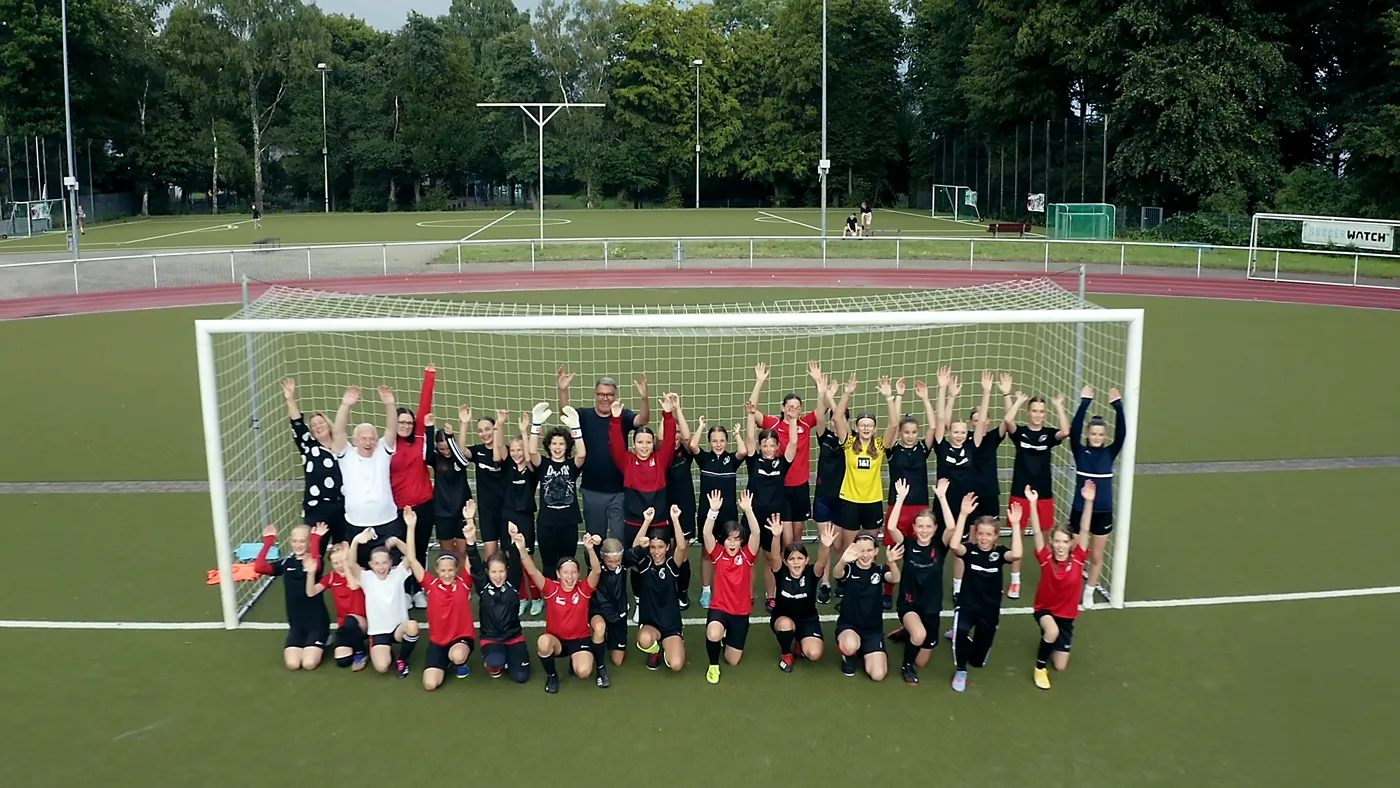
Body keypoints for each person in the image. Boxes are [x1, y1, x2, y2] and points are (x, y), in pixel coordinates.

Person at [557, 367, 651, 540]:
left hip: (620, 492)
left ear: (615, 397)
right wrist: (562, 391)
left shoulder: (622, 416)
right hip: (592, 490)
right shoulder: (584, 415)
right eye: (601, 394)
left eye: (609, 395)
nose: (605, 399)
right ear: (595, 394)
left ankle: (619, 568)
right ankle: (596, 567)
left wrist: (644, 398)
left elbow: (643, 420)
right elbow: (565, 414)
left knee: (619, 539)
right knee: (595, 538)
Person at [609, 393, 677, 620]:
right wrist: (616, 419)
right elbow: (616, 445)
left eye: (648, 442)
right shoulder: (627, 461)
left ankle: (662, 598)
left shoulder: (661, 459)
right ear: (634, 444)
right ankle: (639, 602)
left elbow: (669, 441)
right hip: (634, 524)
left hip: (659, 525)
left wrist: (668, 414)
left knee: (661, 562)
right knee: (638, 565)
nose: (644, 446)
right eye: (640, 442)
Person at [888, 479, 961, 685]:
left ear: (935, 528)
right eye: (920, 526)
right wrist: (900, 498)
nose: (924, 530)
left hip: (931, 608)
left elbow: (952, 526)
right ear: (914, 527)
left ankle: (907, 632)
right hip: (909, 604)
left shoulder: (940, 546)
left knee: (923, 660)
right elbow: (892, 526)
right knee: (918, 636)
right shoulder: (907, 545)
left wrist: (942, 497)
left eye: (928, 526)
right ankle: (906, 666)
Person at [949, 495, 1023, 693]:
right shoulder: (971, 550)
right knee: (962, 632)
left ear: (996, 536)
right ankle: (960, 670)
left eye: (989, 534)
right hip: (967, 605)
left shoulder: (999, 554)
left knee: (978, 661)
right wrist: (963, 514)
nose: (984, 538)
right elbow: (954, 546)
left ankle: (966, 646)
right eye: (981, 533)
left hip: (989, 609)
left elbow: (1016, 554)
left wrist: (1015, 525)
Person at [747, 361, 824, 550]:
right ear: (783, 408)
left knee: (797, 536)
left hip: (800, 487)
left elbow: (822, 411)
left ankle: (795, 572)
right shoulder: (772, 424)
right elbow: (751, 410)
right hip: (780, 488)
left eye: (797, 407)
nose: (793, 409)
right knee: (784, 538)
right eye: (789, 406)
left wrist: (818, 385)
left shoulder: (805, 423)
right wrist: (759, 382)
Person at [1003, 389, 1070, 599]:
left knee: (1047, 535)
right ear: (1028, 412)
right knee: (1018, 536)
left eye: (1041, 411)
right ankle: (1015, 582)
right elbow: (1007, 420)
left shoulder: (1049, 435)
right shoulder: (1020, 433)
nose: (1038, 414)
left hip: (1043, 495)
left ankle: (1051, 576)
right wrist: (1016, 401)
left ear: (1045, 413)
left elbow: (1065, 431)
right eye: (1034, 411)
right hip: (1020, 493)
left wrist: (1059, 405)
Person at [519, 532, 604, 694]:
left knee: (584, 672)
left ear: (578, 574)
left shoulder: (584, 589)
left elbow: (597, 571)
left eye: (574, 572)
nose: (570, 577)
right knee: (543, 643)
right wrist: (522, 549)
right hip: (556, 641)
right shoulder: (551, 588)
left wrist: (591, 549)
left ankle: (576, 660)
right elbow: (532, 571)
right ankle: (552, 676)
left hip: (579, 640)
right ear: (558, 574)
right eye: (565, 572)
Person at [1029, 483, 1095, 690]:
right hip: (1045, 611)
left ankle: (1051, 640)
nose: (1060, 545)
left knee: (1060, 666)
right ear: (1052, 542)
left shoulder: (1078, 559)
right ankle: (1039, 668)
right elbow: (1038, 531)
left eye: (1064, 542)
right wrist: (1032, 504)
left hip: (1067, 617)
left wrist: (1089, 501)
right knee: (1051, 630)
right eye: (1056, 541)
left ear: (1070, 544)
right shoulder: (1045, 557)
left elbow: (1084, 529)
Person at [401, 505, 475, 691]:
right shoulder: (431, 585)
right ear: (437, 571)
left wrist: (470, 521)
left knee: (457, 655)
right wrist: (410, 527)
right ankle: (446, 661)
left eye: (451, 570)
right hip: (438, 643)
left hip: (461, 640)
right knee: (430, 684)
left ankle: (459, 662)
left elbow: (471, 555)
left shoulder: (465, 582)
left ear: (456, 569)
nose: (447, 574)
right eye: (443, 570)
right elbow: (411, 559)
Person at [330, 385, 400, 568]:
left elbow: (392, 430)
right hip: (356, 523)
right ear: (355, 440)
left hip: (387, 522)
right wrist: (345, 405)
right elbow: (338, 432)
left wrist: (390, 405)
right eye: (363, 438)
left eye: (372, 438)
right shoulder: (346, 454)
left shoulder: (383, 451)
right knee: (361, 569)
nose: (368, 442)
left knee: (391, 567)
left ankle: (406, 596)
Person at [1070, 385, 1126, 608]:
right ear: (1087, 435)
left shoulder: (1109, 453)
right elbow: (1073, 431)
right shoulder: (1079, 451)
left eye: (1100, 434)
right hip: (1079, 510)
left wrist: (1118, 406)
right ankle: (1072, 588)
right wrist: (1084, 402)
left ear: (1105, 436)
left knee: (1096, 556)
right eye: (1093, 434)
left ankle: (1089, 592)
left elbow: (1123, 434)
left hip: (1103, 512)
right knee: (1076, 554)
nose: (1096, 437)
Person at [701, 490, 765, 684]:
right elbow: (706, 532)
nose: (732, 542)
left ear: (741, 541)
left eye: (737, 539)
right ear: (724, 540)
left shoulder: (747, 555)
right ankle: (713, 665)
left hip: (740, 612)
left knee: (733, 660)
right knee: (713, 633)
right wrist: (713, 511)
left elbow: (756, 532)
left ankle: (727, 635)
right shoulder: (717, 553)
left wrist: (748, 510)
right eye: (729, 538)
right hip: (719, 608)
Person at [880, 376, 933, 607]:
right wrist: (897, 396)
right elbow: (893, 423)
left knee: (919, 550)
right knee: (893, 549)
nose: (910, 435)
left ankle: (914, 589)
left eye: (913, 431)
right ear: (901, 433)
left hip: (920, 508)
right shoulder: (892, 450)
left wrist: (925, 399)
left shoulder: (923, 447)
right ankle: (888, 590)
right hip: (897, 506)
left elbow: (934, 427)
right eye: (906, 432)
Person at [744, 401, 801, 608]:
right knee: (750, 558)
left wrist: (793, 420)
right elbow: (750, 438)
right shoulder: (753, 461)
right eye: (765, 445)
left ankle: (771, 595)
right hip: (752, 517)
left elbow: (794, 444)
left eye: (772, 445)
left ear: (778, 447)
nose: (768, 449)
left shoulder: (782, 462)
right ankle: (747, 596)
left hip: (773, 520)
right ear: (760, 447)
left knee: (771, 558)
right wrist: (751, 416)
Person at [388, 365, 436, 607]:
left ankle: (418, 590)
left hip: (425, 505)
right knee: (402, 551)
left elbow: (424, 407)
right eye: (402, 422)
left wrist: (429, 377)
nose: (406, 425)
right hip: (399, 508)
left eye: (409, 422)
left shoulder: (418, 437)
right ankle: (404, 591)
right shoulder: (387, 444)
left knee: (420, 549)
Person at [689, 416, 749, 609]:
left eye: (722, 440)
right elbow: (692, 444)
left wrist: (738, 435)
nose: (718, 444)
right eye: (714, 441)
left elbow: (743, 451)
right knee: (707, 553)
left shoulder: (731, 460)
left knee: (728, 552)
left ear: (727, 441)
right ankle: (707, 590)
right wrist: (700, 427)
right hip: (707, 515)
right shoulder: (704, 459)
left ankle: (726, 588)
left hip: (728, 515)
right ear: (709, 442)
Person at [344, 528, 419, 679]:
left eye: (385, 562)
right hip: (379, 631)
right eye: (377, 563)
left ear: (391, 563)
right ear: (371, 564)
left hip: (399, 628)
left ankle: (402, 660)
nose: (381, 567)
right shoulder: (366, 577)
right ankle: (382, 649)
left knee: (412, 626)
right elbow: (351, 563)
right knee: (382, 666)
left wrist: (404, 534)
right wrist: (356, 541)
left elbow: (411, 557)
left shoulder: (397, 574)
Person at [253, 522, 329, 670]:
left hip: (317, 623)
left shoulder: (314, 561)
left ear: (308, 543)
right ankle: (308, 644)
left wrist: (316, 539)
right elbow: (259, 567)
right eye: (294, 541)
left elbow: (315, 564)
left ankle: (324, 639)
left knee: (308, 664)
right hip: (297, 625)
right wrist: (268, 542)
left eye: (302, 541)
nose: (298, 545)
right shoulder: (286, 563)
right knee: (293, 664)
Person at [282, 378, 346, 546]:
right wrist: (290, 399)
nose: (318, 426)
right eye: (314, 425)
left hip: (343, 508)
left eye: (320, 422)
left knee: (344, 551)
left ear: (328, 423)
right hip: (318, 509)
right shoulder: (309, 447)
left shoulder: (344, 447)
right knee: (315, 551)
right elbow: (297, 424)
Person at [466, 521, 531, 684]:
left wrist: (513, 539)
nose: (497, 575)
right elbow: (475, 562)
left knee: (521, 677)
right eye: (494, 571)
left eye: (501, 571)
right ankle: (498, 659)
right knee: (495, 664)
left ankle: (511, 657)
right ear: (488, 572)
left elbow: (516, 561)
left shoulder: (513, 584)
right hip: (491, 638)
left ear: (507, 572)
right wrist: (470, 542)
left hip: (514, 637)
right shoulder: (483, 585)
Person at [627, 506, 688, 673]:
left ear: (667, 547)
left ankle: (673, 645)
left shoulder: (671, 565)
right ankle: (656, 651)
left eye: (661, 547)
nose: (657, 551)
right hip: (650, 624)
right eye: (653, 547)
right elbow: (634, 547)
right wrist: (646, 521)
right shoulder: (645, 564)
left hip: (671, 625)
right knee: (645, 639)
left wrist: (675, 519)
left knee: (675, 665)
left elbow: (682, 548)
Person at [833, 532, 902, 681]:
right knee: (850, 645)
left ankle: (865, 649)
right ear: (854, 551)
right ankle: (848, 656)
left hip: (872, 630)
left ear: (876, 551)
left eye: (869, 550)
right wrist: (843, 560)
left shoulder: (878, 570)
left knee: (878, 675)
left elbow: (895, 578)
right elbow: (837, 574)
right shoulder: (849, 568)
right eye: (861, 550)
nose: (865, 555)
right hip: (849, 626)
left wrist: (893, 563)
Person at [769, 520, 836, 672]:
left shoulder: (812, 574)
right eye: (792, 559)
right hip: (783, 619)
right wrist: (775, 536)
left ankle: (801, 641)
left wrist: (826, 546)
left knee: (814, 653)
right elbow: (774, 556)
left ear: (806, 561)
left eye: (800, 558)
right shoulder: (781, 573)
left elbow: (822, 562)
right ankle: (786, 653)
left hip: (808, 620)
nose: (796, 562)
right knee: (785, 625)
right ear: (786, 562)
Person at [832, 374, 887, 552]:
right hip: (850, 501)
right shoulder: (849, 444)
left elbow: (894, 423)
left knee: (871, 546)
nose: (865, 428)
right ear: (856, 428)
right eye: (862, 425)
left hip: (873, 501)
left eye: (869, 425)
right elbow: (838, 418)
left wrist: (889, 397)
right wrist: (847, 393)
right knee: (850, 548)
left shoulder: (879, 445)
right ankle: (849, 578)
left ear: (875, 428)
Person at [533, 405, 587, 581]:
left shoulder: (572, 465)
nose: (557, 447)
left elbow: (582, 454)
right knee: (548, 563)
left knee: (567, 562)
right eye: (554, 443)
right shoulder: (543, 464)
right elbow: (532, 452)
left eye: (561, 444)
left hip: (568, 522)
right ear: (548, 446)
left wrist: (576, 428)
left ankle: (568, 594)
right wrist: (535, 425)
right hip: (546, 523)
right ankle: (551, 596)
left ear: (567, 446)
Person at [496, 408, 542, 615]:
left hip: (524, 518)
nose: (516, 453)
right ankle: (522, 598)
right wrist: (501, 423)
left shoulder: (532, 468)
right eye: (513, 450)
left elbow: (531, 454)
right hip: (507, 516)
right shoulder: (508, 466)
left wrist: (525, 432)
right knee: (512, 559)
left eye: (519, 449)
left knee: (526, 559)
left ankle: (537, 598)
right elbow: (499, 447)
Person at [305, 542, 368, 670]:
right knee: (342, 661)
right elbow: (311, 592)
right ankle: (355, 645)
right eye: (336, 563)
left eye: (342, 560)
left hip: (362, 622)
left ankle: (361, 653)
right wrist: (310, 574)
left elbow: (354, 586)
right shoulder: (331, 577)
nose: (340, 566)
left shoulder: (359, 572)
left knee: (351, 620)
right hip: (344, 626)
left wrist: (347, 565)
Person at [813, 376, 847, 604]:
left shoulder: (850, 441)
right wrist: (822, 392)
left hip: (844, 499)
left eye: (839, 419)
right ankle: (824, 582)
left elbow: (838, 417)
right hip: (823, 498)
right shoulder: (824, 437)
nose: (834, 422)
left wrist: (834, 400)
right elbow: (819, 416)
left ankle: (841, 578)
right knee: (825, 541)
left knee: (840, 544)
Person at [661, 394, 697, 608]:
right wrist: (666, 413)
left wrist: (677, 409)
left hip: (684, 508)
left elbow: (687, 436)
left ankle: (682, 592)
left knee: (681, 551)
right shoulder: (659, 453)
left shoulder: (685, 452)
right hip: (662, 508)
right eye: (670, 434)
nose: (674, 437)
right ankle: (666, 589)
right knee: (664, 551)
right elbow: (659, 437)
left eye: (676, 435)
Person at [428, 405, 474, 564]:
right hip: (442, 513)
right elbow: (427, 455)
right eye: (442, 449)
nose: (446, 451)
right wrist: (429, 428)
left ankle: (462, 586)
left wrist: (451, 437)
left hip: (462, 511)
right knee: (447, 553)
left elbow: (462, 460)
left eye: (448, 447)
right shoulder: (436, 459)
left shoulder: (458, 458)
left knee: (462, 551)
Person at [459, 409, 505, 559]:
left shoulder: (505, 452)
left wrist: (500, 424)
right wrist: (464, 423)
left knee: (510, 554)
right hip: (487, 512)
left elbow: (499, 457)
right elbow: (461, 451)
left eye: (487, 429)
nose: (484, 433)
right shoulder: (478, 451)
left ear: (494, 429)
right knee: (490, 554)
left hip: (506, 510)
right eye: (480, 431)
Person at [588, 535, 629, 688]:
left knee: (618, 661)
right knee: (599, 628)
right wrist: (594, 545)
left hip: (618, 614)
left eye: (617, 560)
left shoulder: (624, 563)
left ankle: (599, 643)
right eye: (610, 561)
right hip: (598, 609)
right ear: (603, 557)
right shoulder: (596, 564)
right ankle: (600, 668)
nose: (614, 564)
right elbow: (590, 555)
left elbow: (638, 550)